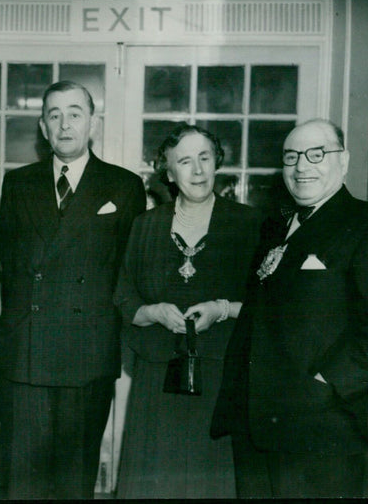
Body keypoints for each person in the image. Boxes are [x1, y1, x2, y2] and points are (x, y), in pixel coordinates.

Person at [211, 119, 368, 498]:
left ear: (342, 161)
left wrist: (326, 384)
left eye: (316, 154)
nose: (301, 167)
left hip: (321, 428)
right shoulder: (275, 227)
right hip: (256, 424)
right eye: (291, 156)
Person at [0, 80, 146, 499]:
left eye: (75, 114)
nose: (65, 125)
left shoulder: (124, 186)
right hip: (27, 354)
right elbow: (8, 267)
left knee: (74, 482)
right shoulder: (18, 184)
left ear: (92, 123)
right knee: (23, 482)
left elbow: (127, 274)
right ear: (43, 127)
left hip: (88, 355)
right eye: (54, 115)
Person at [112, 124, 262, 498]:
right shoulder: (145, 226)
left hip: (220, 377)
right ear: (169, 173)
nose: (197, 170)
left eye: (205, 158)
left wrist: (223, 308)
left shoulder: (249, 224)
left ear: (217, 163)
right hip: (156, 377)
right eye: (185, 161)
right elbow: (123, 295)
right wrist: (153, 311)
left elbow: (270, 303)